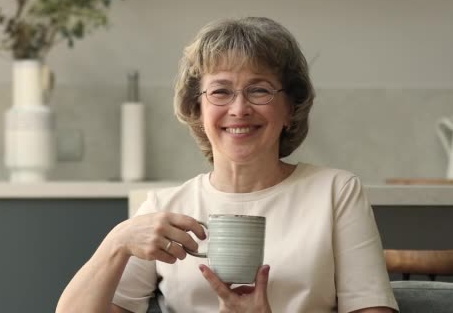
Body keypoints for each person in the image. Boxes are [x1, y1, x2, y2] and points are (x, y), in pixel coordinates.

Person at [56, 17, 399, 313]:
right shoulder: (165, 208)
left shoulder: (335, 192)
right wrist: (117, 241)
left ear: (290, 109)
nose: (239, 109)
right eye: (220, 91)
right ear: (198, 109)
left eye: (259, 90)